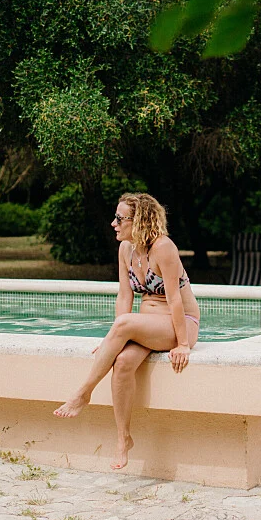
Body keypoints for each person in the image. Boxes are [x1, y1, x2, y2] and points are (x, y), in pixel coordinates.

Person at [54, 193, 200, 469]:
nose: (114, 223)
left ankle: (83, 393)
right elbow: (124, 295)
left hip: (180, 323)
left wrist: (182, 344)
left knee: (123, 325)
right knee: (121, 363)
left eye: (120, 219)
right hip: (147, 326)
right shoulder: (126, 249)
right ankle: (123, 439)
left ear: (140, 220)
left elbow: (175, 300)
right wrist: (115, 341)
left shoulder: (163, 248)